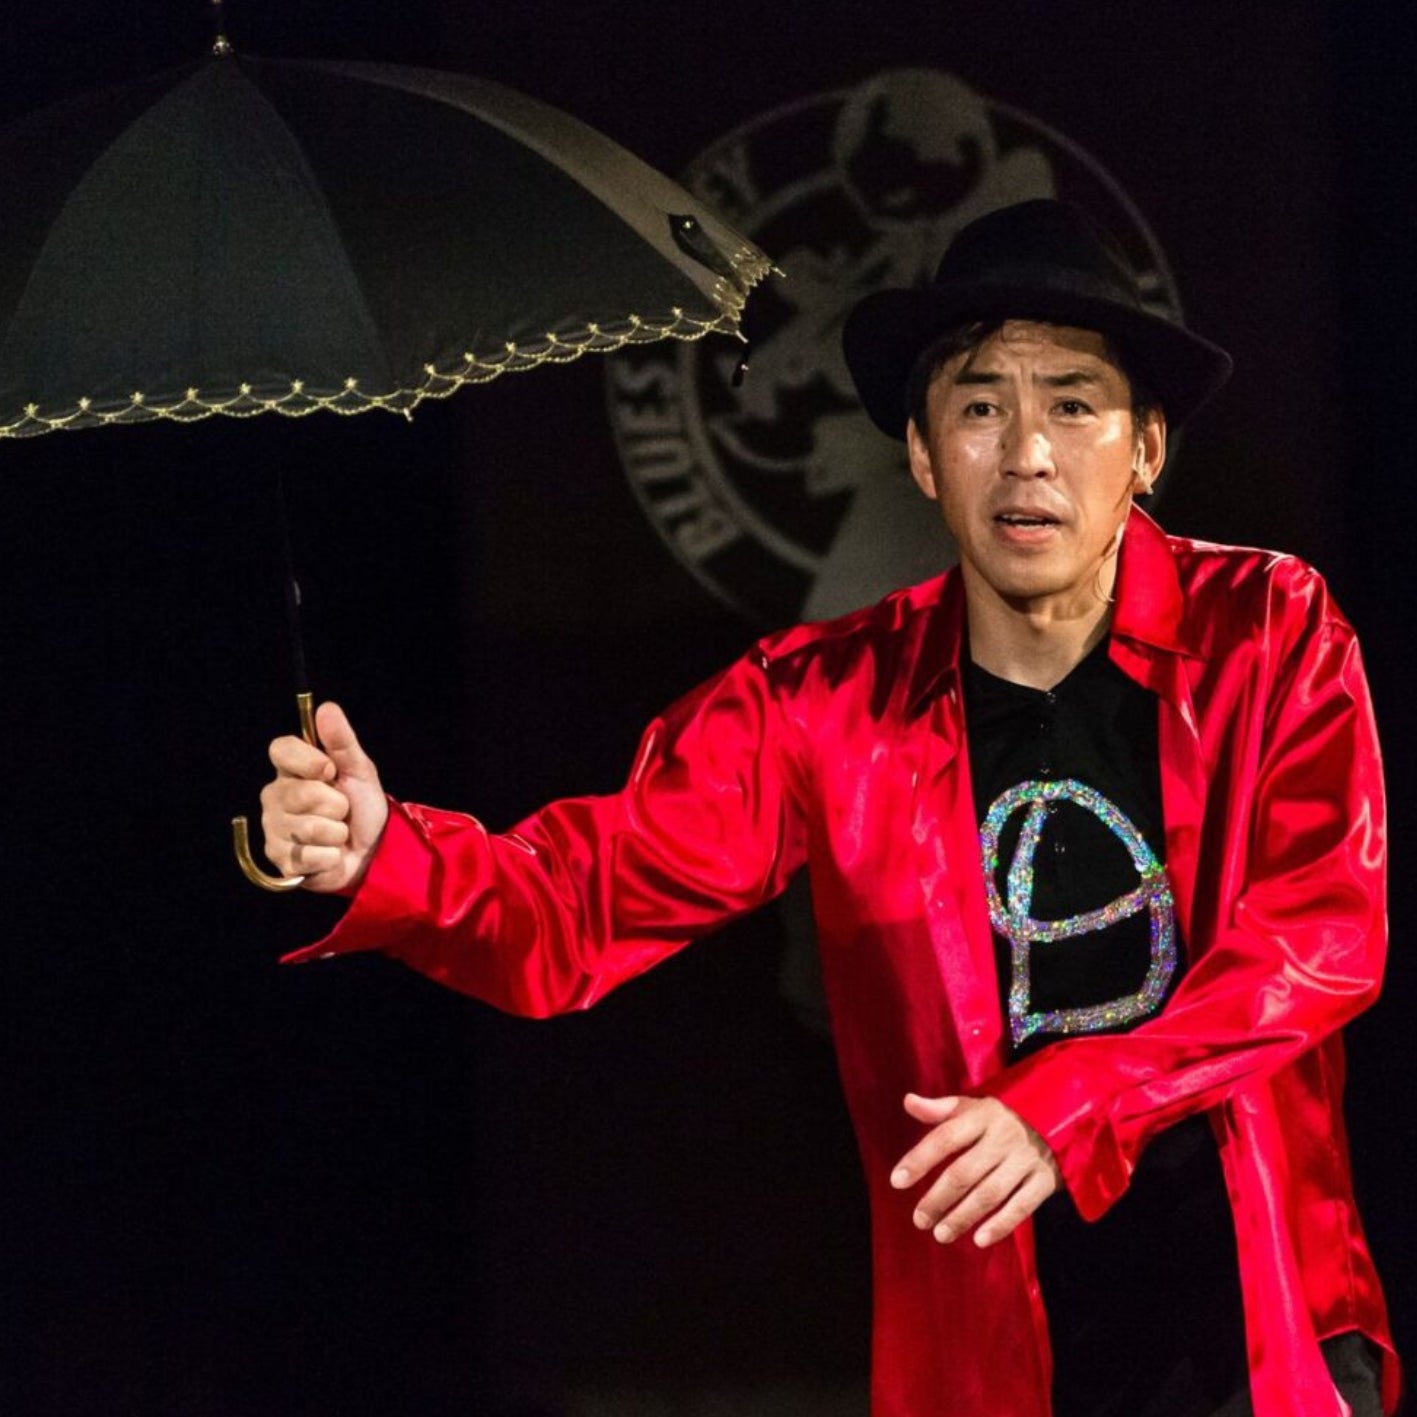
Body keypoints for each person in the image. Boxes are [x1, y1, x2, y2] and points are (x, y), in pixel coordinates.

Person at [260, 201, 1398, 1417]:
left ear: (1146, 448)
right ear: (922, 456)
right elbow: (583, 898)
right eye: (979, 407)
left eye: (1073, 404)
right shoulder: (823, 702)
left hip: (1255, 1324)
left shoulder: (1267, 631)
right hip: (992, 1351)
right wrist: (389, 855)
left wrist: (1065, 1105)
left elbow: (1322, 932)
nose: (1027, 451)